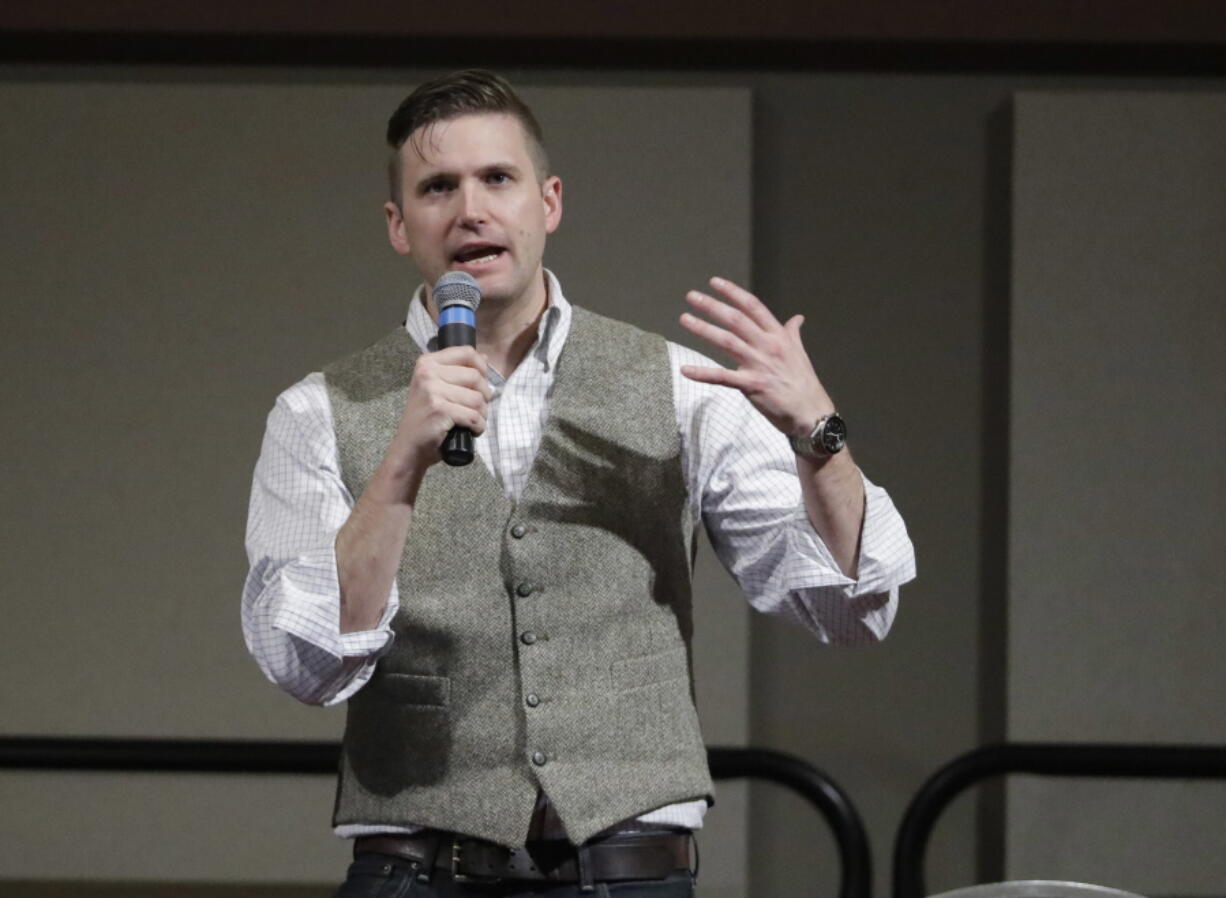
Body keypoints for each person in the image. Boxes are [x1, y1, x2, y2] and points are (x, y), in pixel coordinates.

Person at [242, 70, 915, 897]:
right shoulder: (319, 411)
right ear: (398, 224)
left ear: (548, 203)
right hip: (417, 871)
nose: (470, 210)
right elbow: (304, 667)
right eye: (437, 187)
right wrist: (400, 467)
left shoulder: (677, 384)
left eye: (498, 178)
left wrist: (821, 438)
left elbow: (849, 612)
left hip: (627, 871)